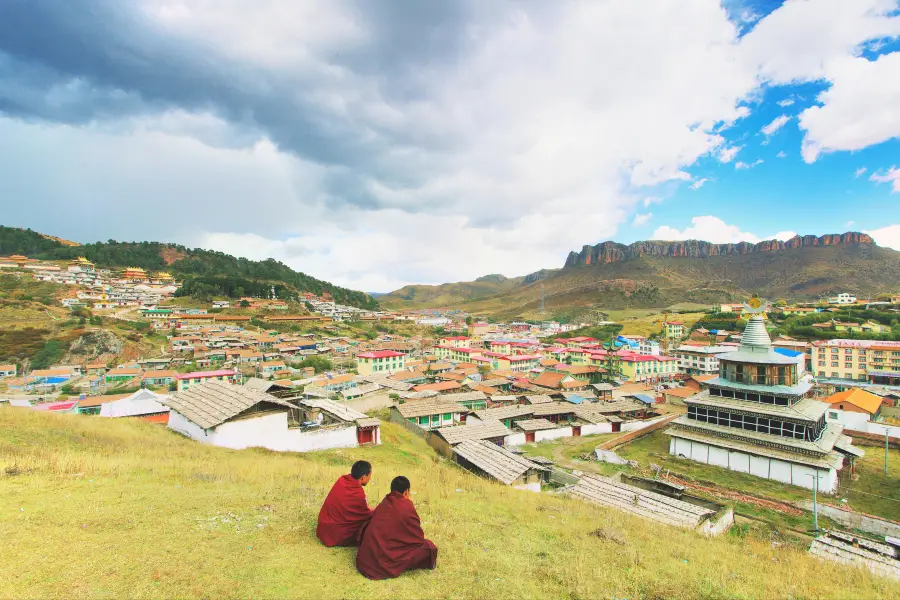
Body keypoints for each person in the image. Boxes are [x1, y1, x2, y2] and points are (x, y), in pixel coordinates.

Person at [356, 476, 438, 580]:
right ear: (406, 492)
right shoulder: (406, 506)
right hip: (383, 562)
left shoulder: (384, 502)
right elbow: (417, 539)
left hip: (366, 559)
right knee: (429, 548)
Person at [316, 460, 373, 547]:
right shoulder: (358, 493)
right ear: (363, 477)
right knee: (370, 522)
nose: (370, 478)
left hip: (323, 528)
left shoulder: (342, 480)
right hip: (335, 534)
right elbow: (364, 515)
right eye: (370, 475)